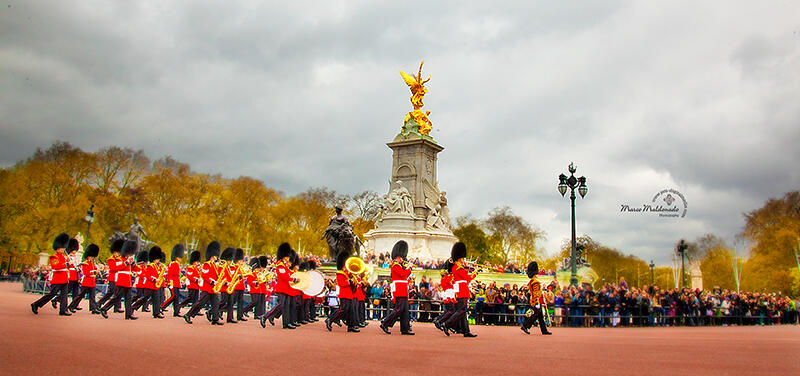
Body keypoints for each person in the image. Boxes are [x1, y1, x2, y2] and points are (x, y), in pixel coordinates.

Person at [441, 242, 478, 337]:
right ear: (459, 258)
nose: (464, 260)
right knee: (462, 310)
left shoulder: (458, 267)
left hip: (461, 289)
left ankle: (466, 331)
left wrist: (466, 267)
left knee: (462, 311)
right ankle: (447, 324)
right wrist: (475, 272)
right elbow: (467, 277)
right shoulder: (457, 267)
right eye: (462, 258)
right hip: (462, 289)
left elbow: (464, 274)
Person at [183, 241, 223, 325]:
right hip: (207, 287)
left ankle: (215, 319)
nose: (217, 257)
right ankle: (188, 315)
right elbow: (205, 276)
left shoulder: (214, 265)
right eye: (215, 256)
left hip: (213, 288)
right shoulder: (206, 264)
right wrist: (213, 281)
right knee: (200, 303)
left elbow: (215, 275)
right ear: (212, 255)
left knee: (216, 303)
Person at [31, 233, 72, 316]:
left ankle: (63, 310)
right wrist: (66, 264)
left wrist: (69, 262)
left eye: (63, 248)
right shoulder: (54, 257)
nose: (63, 250)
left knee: (64, 295)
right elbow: (56, 267)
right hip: (57, 279)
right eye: (61, 248)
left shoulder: (64, 257)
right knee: (52, 294)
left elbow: (66, 267)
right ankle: (36, 304)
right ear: (57, 248)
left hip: (64, 278)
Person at [379, 240, 414, 335]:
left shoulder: (399, 265)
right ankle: (385, 323)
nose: (402, 259)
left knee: (405, 310)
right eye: (401, 257)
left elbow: (404, 276)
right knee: (399, 309)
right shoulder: (395, 265)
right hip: (399, 289)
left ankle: (405, 328)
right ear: (398, 257)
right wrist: (409, 268)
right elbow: (403, 274)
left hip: (403, 289)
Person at [99, 240, 138, 320]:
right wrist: (126, 263)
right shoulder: (120, 260)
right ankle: (104, 308)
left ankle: (129, 314)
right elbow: (116, 268)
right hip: (121, 281)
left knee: (128, 298)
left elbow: (135, 269)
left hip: (128, 281)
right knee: (117, 297)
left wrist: (133, 263)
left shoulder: (128, 260)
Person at [261, 243, 295, 329]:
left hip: (287, 288)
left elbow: (290, 273)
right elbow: (283, 276)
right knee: (281, 305)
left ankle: (286, 323)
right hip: (282, 288)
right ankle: (265, 316)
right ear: (284, 256)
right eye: (287, 257)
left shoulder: (285, 266)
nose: (288, 258)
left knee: (286, 306)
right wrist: (292, 279)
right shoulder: (280, 265)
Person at [326, 251, 359, 332]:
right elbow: (342, 284)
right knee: (343, 309)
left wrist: (354, 281)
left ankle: (351, 326)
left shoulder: (347, 273)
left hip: (349, 294)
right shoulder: (340, 273)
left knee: (351, 311)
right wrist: (350, 281)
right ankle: (330, 319)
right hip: (344, 294)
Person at [67, 243, 101, 314]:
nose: (92, 258)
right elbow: (86, 273)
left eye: (93, 257)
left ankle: (93, 308)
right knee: (80, 296)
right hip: (86, 282)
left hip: (92, 282)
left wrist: (98, 269)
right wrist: (95, 271)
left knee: (92, 296)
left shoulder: (93, 264)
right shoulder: (85, 263)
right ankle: (72, 306)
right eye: (91, 257)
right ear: (88, 257)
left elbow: (94, 271)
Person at [520, 261, 552, 335]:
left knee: (540, 317)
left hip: (535, 300)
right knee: (534, 315)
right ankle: (525, 326)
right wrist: (536, 302)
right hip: (537, 301)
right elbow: (536, 293)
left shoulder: (531, 281)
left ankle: (544, 330)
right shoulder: (535, 282)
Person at [96, 239, 124, 313]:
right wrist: (120, 266)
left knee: (117, 293)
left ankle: (117, 307)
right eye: (116, 252)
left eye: (118, 252)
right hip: (112, 277)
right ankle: (100, 303)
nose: (117, 254)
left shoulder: (121, 259)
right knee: (111, 292)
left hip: (119, 278)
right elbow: (113, 268)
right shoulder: (110, 260)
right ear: (114, 252)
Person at [161, 244, 185, 317]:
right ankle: (162, 307)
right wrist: (170, 283)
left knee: (176, 298)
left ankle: (176, 312)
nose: (180, 258)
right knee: (173, 297)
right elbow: (170, 274)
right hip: (173, 283)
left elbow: (177, 275)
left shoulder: (177, 264)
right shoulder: (173, 264)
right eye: (179, 257)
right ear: (176, 257)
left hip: (176, 282)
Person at [433, 260, 455, 330]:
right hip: (449, 294)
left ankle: (441, 321)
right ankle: (440, 321)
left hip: (448, 294)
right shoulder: (447, 278)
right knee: (450, 310)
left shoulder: (444, 278)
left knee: (448, 310)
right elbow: (452, 281)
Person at [217, 247, 236, 323]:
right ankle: (212, 311)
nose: (230, 262)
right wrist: (227, 283)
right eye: (229, 260)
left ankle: (230, 318)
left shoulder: (230, 268)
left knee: (231, 303)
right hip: (224, 287)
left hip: (230, 288)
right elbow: (221, 277)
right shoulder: (222, 268)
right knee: (223, 302)